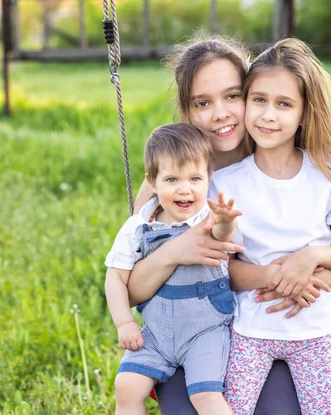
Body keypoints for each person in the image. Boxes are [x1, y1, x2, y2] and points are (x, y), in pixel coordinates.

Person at [126, 35, 331, 414]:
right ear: (186, 110)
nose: (221, 113)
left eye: (232, 96)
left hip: (271, 326)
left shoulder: (285, 162)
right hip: (195, 337)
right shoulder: (171, 183)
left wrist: (303, 278)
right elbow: (132, 288)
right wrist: (174, 251)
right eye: (203, 102)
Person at [210, 38, 331, 414]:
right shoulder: (227, 183)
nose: (269, 115)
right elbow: (226, 270)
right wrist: (277, 276)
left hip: (315, 332)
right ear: (246, 103)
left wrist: (309, 258)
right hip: (250, 331)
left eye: (284, 104)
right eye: (259, 100)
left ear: (304, 113)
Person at [105, 123, 242, 415]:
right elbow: (115, 277)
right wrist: (124, 323)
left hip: (204, 332)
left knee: (205, 396)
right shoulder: (140, 226)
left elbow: (222, 238)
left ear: (209, 178)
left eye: (195, 178)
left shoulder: (209, 217)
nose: (184, 189)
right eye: (171, 179)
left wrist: (227, 221)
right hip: (155, 333)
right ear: (151, 182)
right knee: (126, 386)